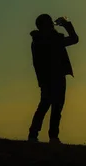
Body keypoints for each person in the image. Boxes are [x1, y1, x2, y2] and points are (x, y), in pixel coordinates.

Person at [27, 14, 79, 143]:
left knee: (55, 107)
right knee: (47, 105)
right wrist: (67, 25)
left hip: (56, 76)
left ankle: (48, 136)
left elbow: (74, 39)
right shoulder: (43, 40)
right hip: (49, 77)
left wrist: (67, 25)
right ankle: (37, 135)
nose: (51, 24)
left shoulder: (44, 39)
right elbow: (74, 39)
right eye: (48, 22)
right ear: (43, 25)